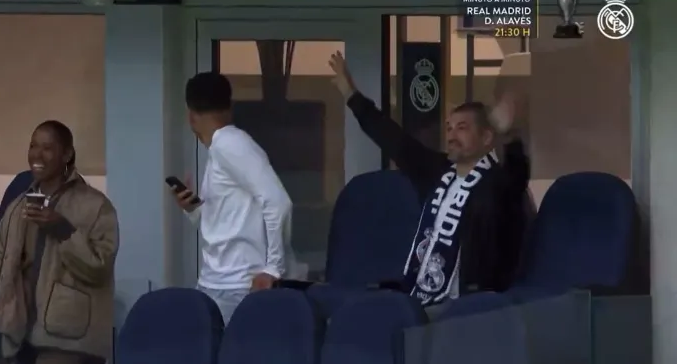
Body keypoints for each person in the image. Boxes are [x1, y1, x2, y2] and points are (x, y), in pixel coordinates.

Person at [328, 52, 530, 317]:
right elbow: (392, 138)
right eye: (449, 128)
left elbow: (515, 181)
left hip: (470, 307)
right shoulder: (438, 171)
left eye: (462, 128)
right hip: (420, 298)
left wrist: (510, 136)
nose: (452, 135)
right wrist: (350, 94)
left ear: (486, 137)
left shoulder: (495, 185)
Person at [0, 120, 118, 364]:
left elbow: (100, 265)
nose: (37, 154)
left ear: (67, 154)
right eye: (33, 146)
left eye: (48, 148)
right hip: (19, 331)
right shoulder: (18, 205)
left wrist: (63, 230)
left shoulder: (94, 205)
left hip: (65, 336)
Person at [170, 72, 298, 325]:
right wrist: (193, 209)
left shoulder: (232, 144)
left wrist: (273, 268)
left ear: (191, 116)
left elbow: (278, 202)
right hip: (214, 282)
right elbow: (225, 222)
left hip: (238, 286)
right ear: (229, 106)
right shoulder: (222, 148)